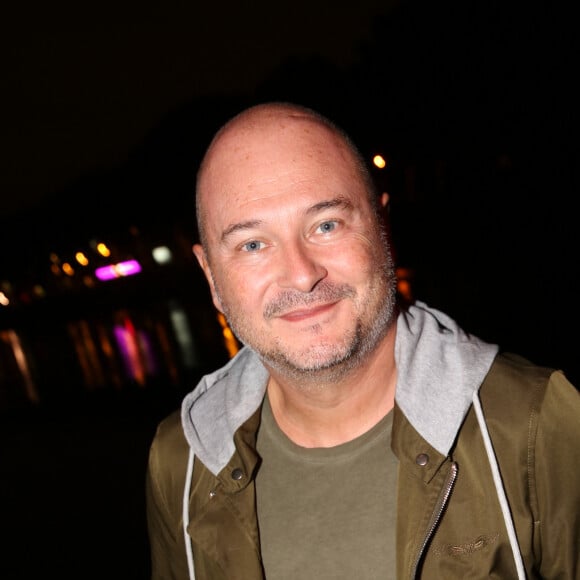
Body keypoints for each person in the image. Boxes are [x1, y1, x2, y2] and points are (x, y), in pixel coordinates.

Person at [145, 101, 580, 579]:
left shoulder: (540, 426)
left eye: (326, 225)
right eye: (253, 244)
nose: (302, 274)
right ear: (211, 278)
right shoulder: (182, 460)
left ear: (382, 227)